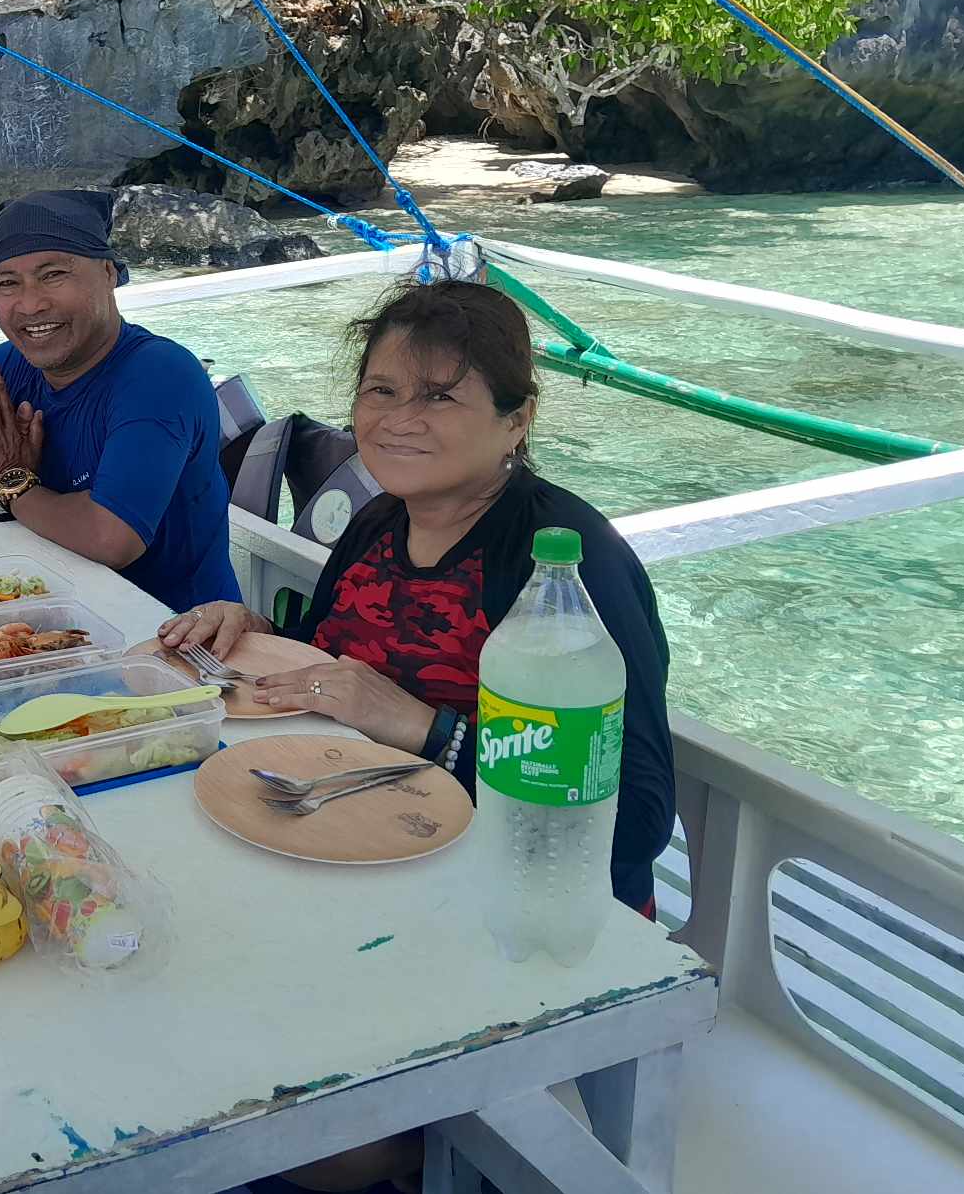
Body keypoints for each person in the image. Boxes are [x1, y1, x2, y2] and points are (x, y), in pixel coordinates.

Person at [161, 277, 675, 911]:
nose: (399, 421)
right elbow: (342, 656)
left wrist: (428, 730)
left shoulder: (563, 564)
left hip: (528, 908)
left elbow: (637, 820)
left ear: (516, 420)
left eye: (440, 396)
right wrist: (255, 631)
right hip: (359, 848)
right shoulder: (379, 520)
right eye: (381, 391)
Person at [0, 189, 239, 613]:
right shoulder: (11, 367)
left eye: (53, 275)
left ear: (109, 273)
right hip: (51, 609)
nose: (30, 304)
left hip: (172, 632)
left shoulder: (158, 375)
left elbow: (110, 537)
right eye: (8, 283)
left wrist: (13, 485)